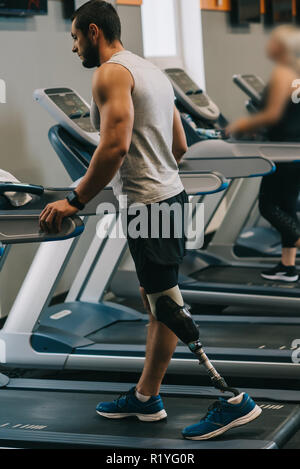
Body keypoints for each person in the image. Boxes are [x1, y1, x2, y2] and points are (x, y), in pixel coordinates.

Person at [39, 0, 260, 440]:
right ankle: (146, 397)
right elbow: (178, 142)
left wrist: (75, 200)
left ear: (94, 32)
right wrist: (156, 172)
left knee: (166, 306)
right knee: (158, 301)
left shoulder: (110, 73)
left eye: (75, 37)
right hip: (170, 197)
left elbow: (114, 147)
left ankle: (234, 399)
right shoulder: (151, 71)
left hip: (149, 206)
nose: (74, 47)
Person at [227, 25, 300, 282]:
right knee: (288, 205)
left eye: (273, 41)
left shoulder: (283, 72)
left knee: (268, 206)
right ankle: (287, 266)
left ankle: (297, 241)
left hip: (279, 150)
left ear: (281, 47)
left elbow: (272, 114)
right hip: (294, 149)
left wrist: (239, 126)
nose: (268, 45)